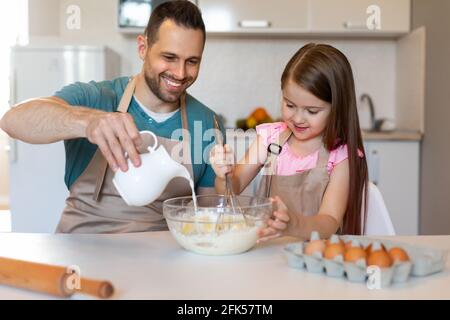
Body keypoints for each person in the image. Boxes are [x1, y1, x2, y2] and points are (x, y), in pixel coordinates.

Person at [0, 1, 222, 233]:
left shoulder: (206, 123)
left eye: (192, 61)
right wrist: (88, 122)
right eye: (169, 57)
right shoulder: (96, 98)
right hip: (83, 252)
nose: (180, 73)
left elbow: (207, 216)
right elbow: (12, 120)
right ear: (143, 48)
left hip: (162, 260)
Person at [210, 43, 368, 241]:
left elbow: (330, 222)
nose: (298, 118)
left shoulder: (340, 156)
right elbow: (232, 189)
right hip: (269, 253)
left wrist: (293, 225)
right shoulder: (270, 139)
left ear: (337, 107)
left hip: (316, 258)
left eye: (312, 111)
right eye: (290, 105)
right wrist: (224, 175)